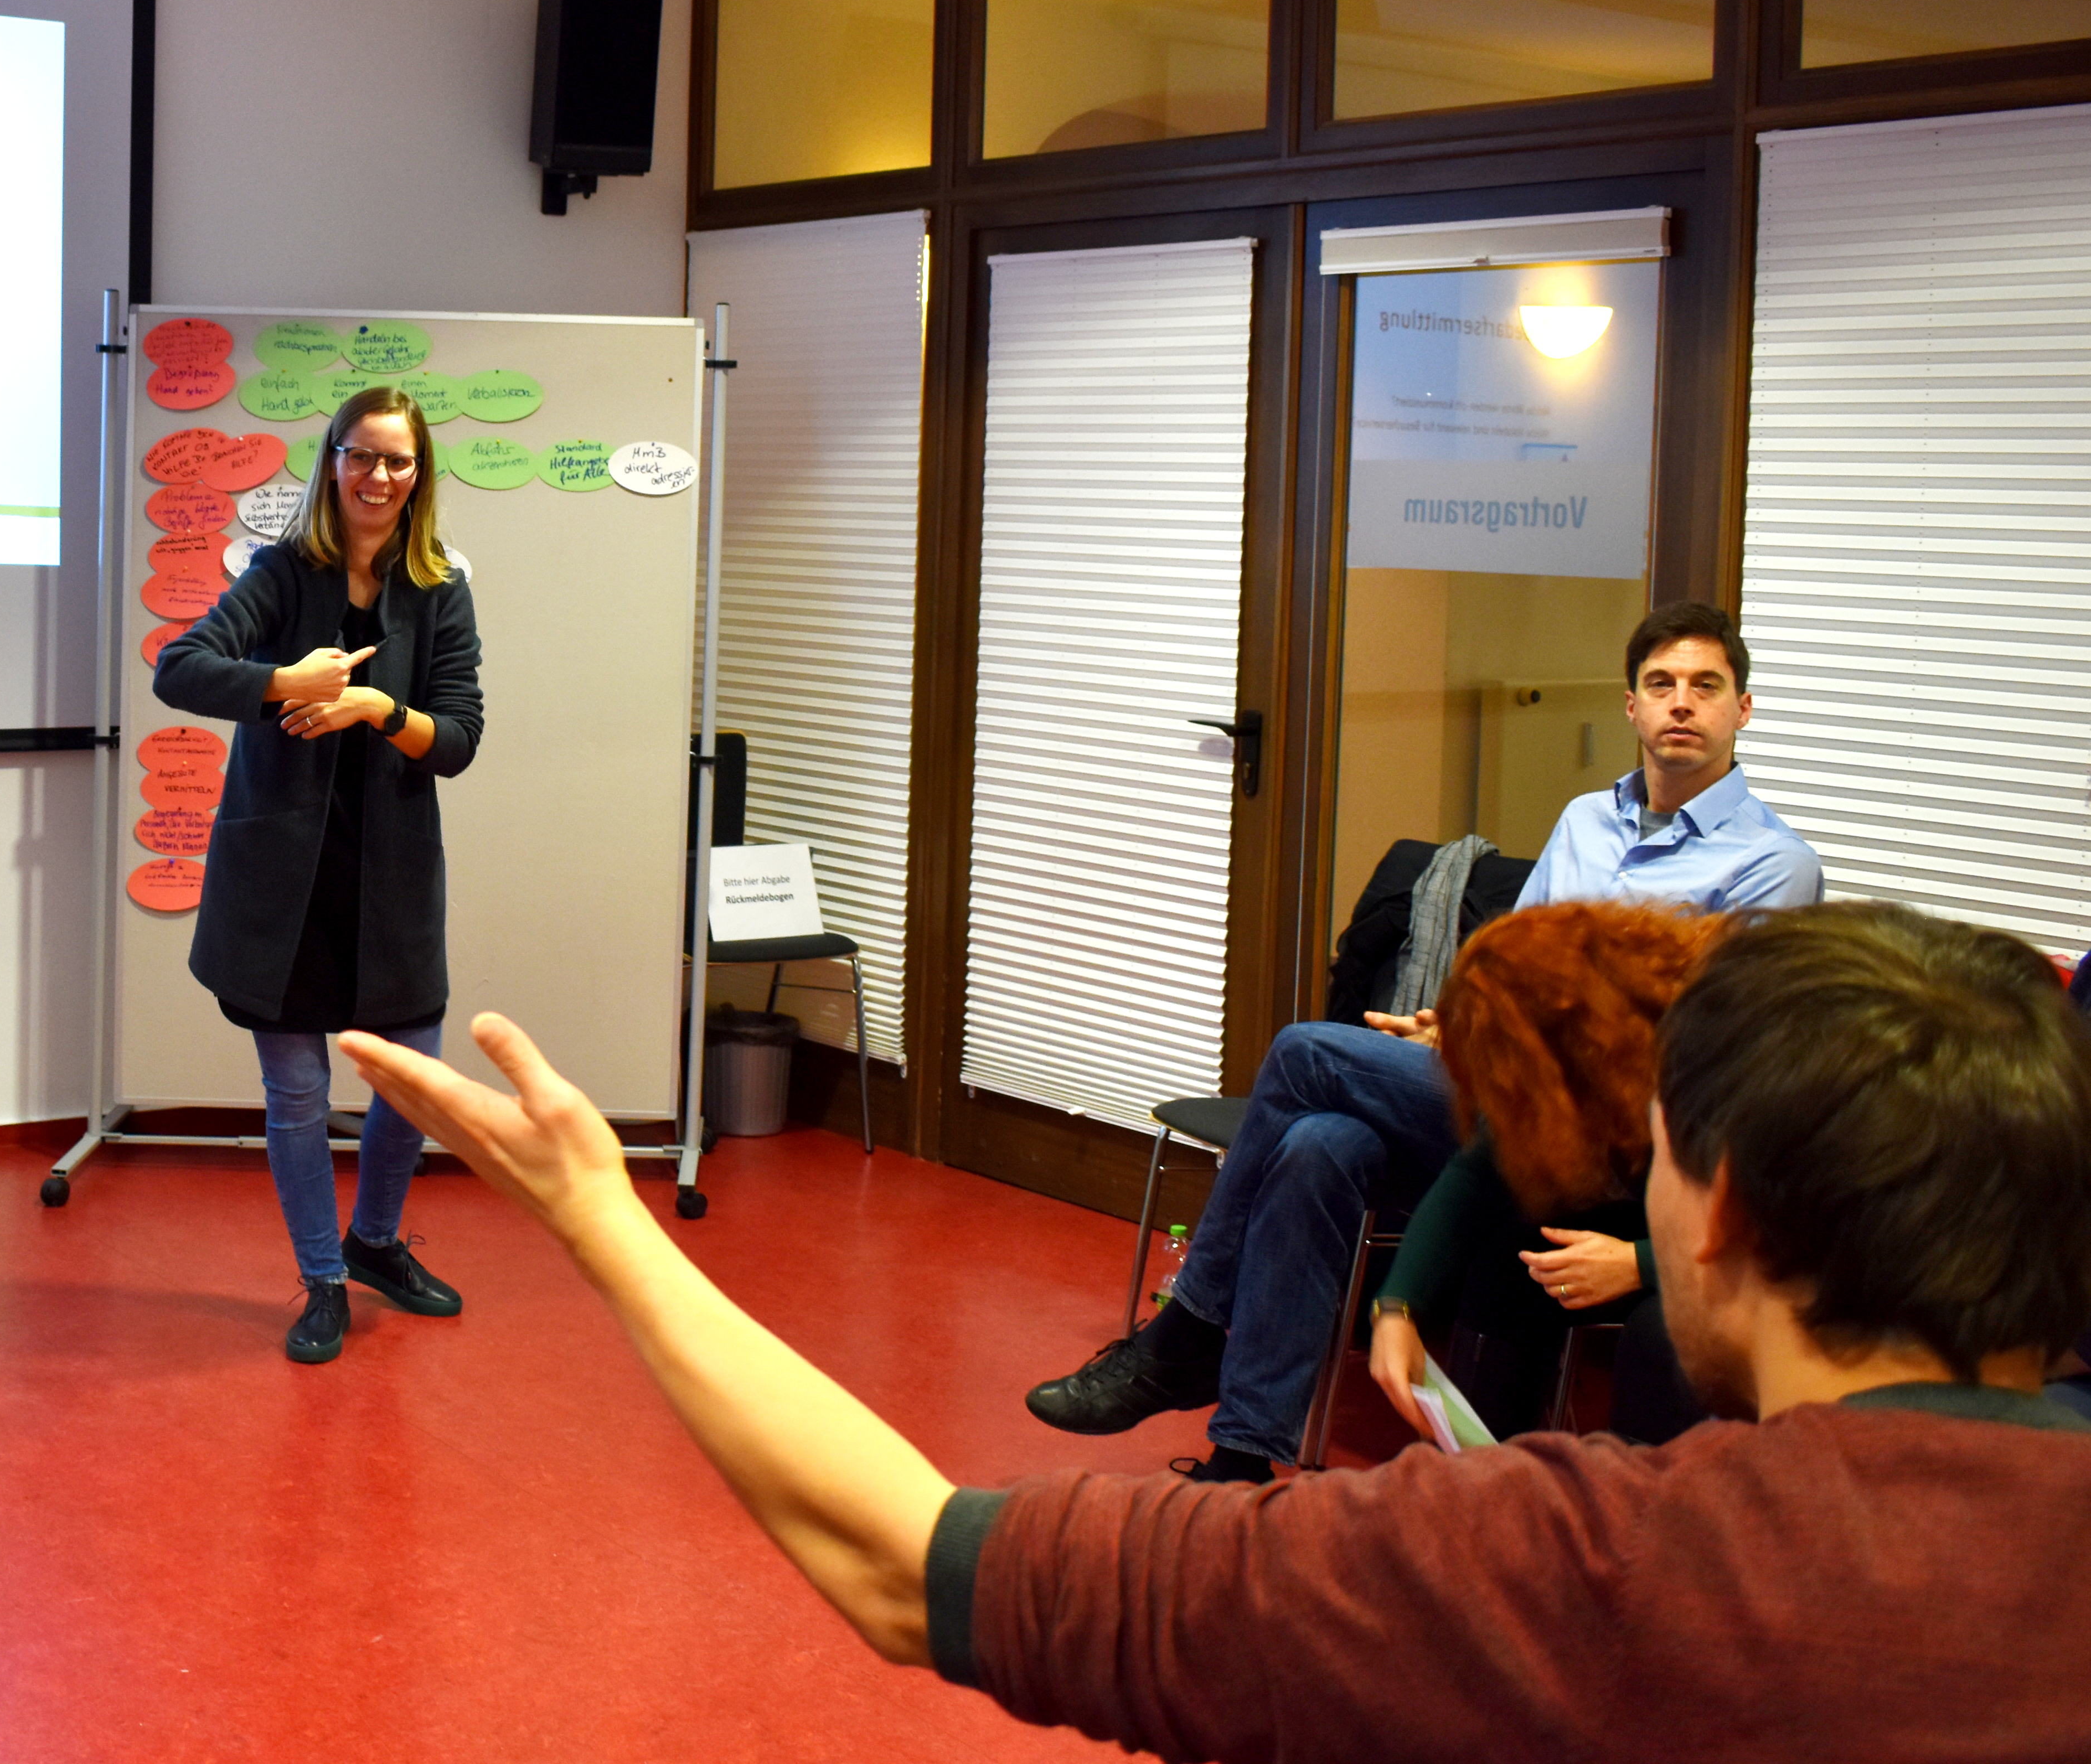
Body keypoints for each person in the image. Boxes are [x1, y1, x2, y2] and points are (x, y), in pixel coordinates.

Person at [342, 902, 2091, 1762]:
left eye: (1649, 1160)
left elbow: (904, 1562)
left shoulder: (1573, 1562)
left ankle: (1192, 1339)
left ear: (1726, 1219)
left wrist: (592, 1212)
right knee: (1325, 1124)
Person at [1025, 599, 1823, 1482]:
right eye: (1660, 684)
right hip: (1506, 1097)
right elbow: (1515, 977)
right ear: (1629, 706)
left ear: (1741, 709)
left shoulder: (1773, 865)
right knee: (1317, 1144)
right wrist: (1458, 1021)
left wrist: (1521, 1029)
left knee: (1302, 1051)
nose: (1681, 703)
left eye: (1704, 687)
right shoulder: (1583, 820)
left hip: (1613, 1140)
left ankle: (1187, 1333)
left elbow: (1692, 1054)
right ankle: (1243, 1452)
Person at [151, 385, 485, 1363]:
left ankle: (375, 1242)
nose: (378, 477)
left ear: (418, 476)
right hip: (281, 884)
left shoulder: (439, 588)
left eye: (399, 461)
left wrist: (373, 707)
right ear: (330, 460)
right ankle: (324, 1278)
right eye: (362, 456)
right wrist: (285, 683)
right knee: (296, 1095)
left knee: (411, 1084)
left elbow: (457, 740)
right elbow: (181, 665)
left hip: (387, 875)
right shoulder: (279, 572)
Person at [1364, 902, 1721, 1445]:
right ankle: (1490, 1476)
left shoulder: (1718, 1049)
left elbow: (1789, 1223)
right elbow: (1479, 1171)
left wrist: (1639, 1262)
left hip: (1764, 1249)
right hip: (1670, 1225)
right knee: (1512, 1259)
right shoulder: (1584, 1051)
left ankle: (1640, 1514)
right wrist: (1396, 1308)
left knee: (1660, 1333)